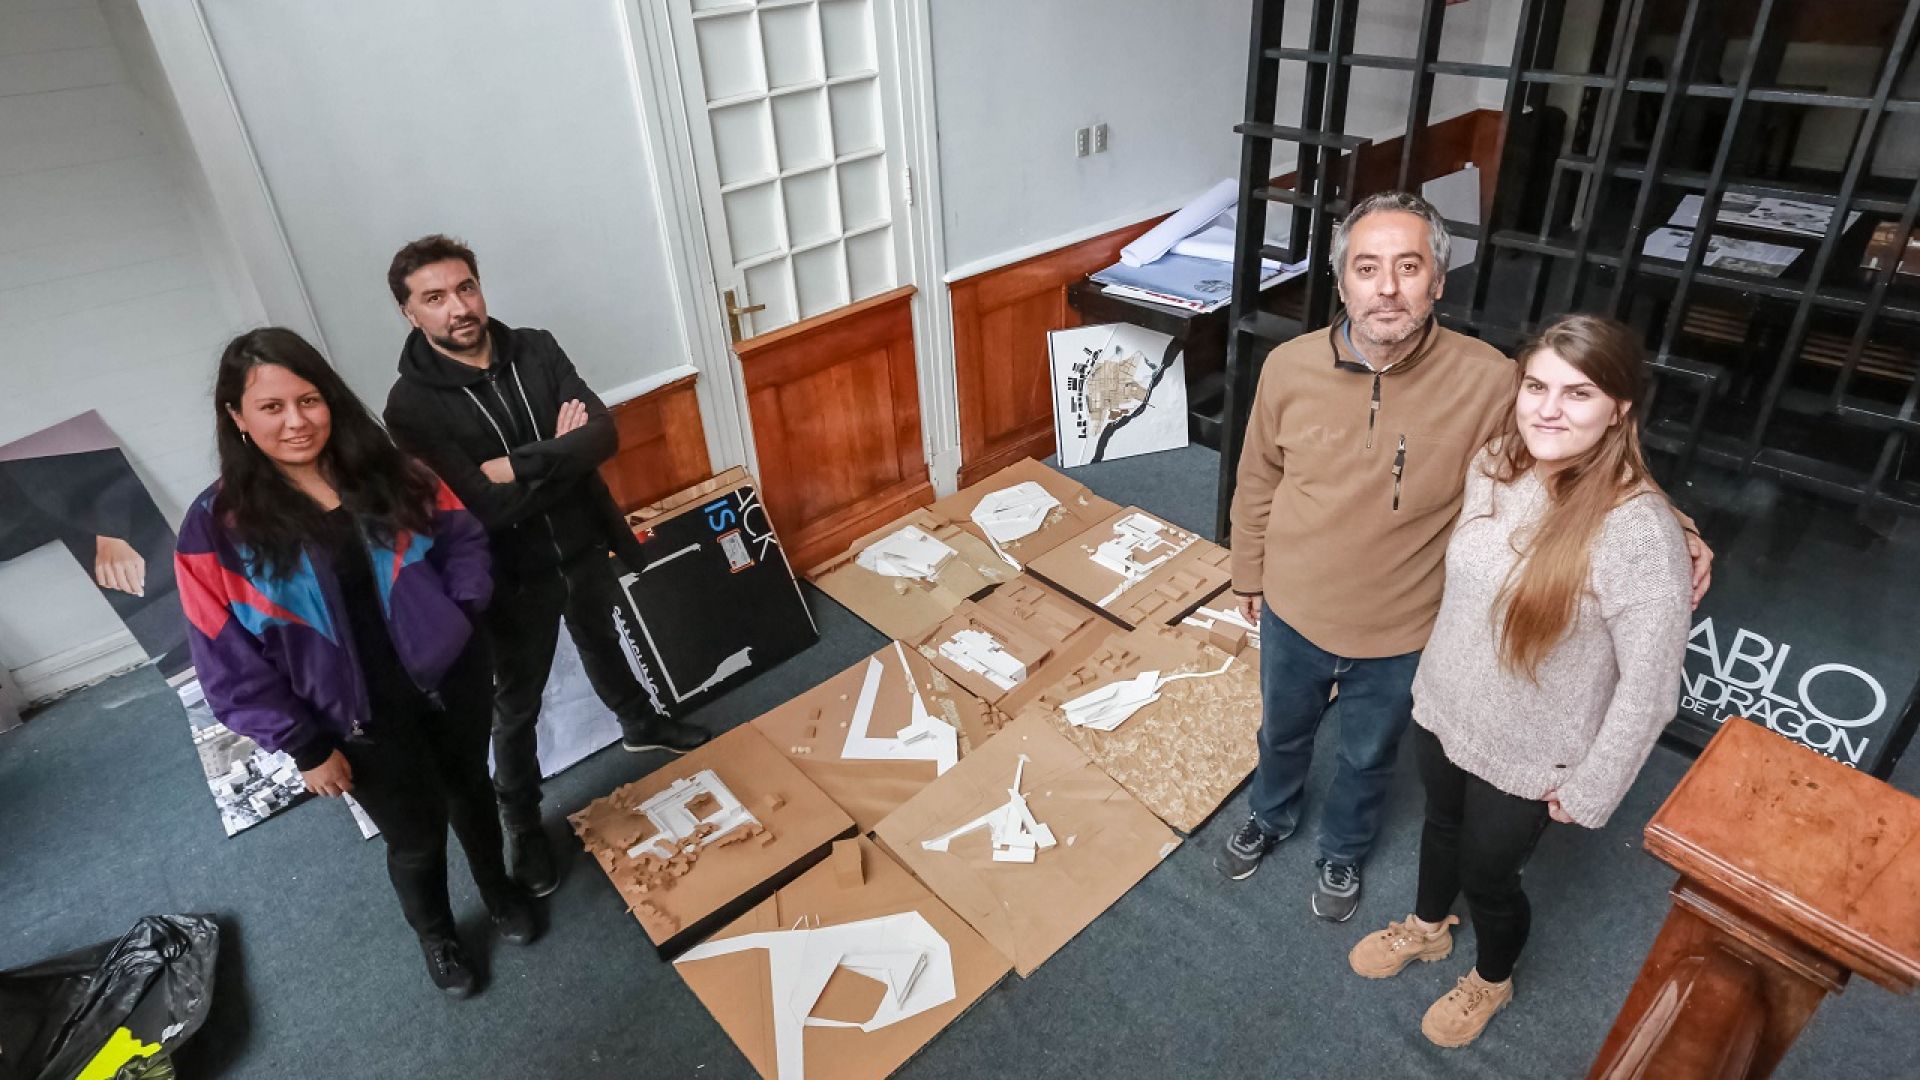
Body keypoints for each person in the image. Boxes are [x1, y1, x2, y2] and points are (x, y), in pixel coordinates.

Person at [1218, 191, 1712, 922]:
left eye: (1409, 267)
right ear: (1342, 280)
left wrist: (1674, 524)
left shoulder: (1491, 378)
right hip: (1293, 605)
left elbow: (1581, 435)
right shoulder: (1288, 366)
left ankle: (1343, 850)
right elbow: (1258, 474)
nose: (1387, 288)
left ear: (1439, 282)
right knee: (1282, 732)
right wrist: (1248, 570)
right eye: (1367, 268)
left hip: (1405, 628)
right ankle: (1269, 814)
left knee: (1367, 756)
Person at [1346, 313, 1692, 1047]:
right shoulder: (1498, 461)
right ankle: (1428, 927)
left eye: (1578, 393)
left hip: (1533, 749)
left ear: (1619, 409)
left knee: (1489, 876)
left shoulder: (1640, 532)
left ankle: (1491, 978)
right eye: (1537, 386)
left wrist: (1593, 787)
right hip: (1444, 705)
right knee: (1440, 828)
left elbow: (1651, 687)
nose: (1548, 410)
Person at [176, 327, 533, 998]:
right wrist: (306, 747)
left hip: (450, 680)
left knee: (471, 793)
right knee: (414, 836)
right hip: (354, 720)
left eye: (308, 400)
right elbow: (227, 662)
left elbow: (462, 538)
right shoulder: (214, 527)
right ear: (237, 417)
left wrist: (460, 610)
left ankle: (499, 889)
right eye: (272, 407)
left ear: (330, 398)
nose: (296, 421)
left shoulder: (389, 470)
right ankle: (438, 936)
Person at [381, 234, 708, 898]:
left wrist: (517, 465)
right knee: (517, 703)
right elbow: (482, 505)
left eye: (465, 287)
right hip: (509, 574)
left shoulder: (536, 347)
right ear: (409, 313)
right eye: (435, 298)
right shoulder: (409, 407)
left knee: (602, 637)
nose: (458, 308)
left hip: (582, 541)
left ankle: (639, 723)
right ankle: (523, 822)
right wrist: (561, 455)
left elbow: (602, 435)